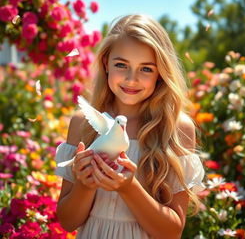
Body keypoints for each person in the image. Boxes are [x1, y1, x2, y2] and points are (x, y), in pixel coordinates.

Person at [55, 14, 205, 239]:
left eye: (146, 69)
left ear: (160, 73)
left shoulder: (176, 128)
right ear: (106, 63)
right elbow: (67, 222)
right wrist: (85, 186)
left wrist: (128, 188)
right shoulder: (82, 123)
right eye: (121, 65)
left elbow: (172, 232)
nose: (131, 79)